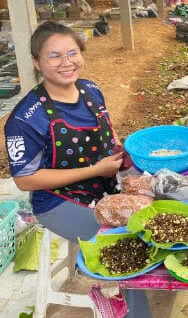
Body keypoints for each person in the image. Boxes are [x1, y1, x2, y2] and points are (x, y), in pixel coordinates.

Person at [4, 21, 150, 316]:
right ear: (36, 61)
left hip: (103, 184)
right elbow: (25, 179)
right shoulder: (25, 118)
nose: (66, 63)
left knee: (159, 207)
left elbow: (109, 133)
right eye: (54, 56)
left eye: (72, 53)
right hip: (58, 201)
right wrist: (95, 170)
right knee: (129, 235)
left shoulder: (90, 90)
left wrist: (125, 161)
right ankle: (133, 309)